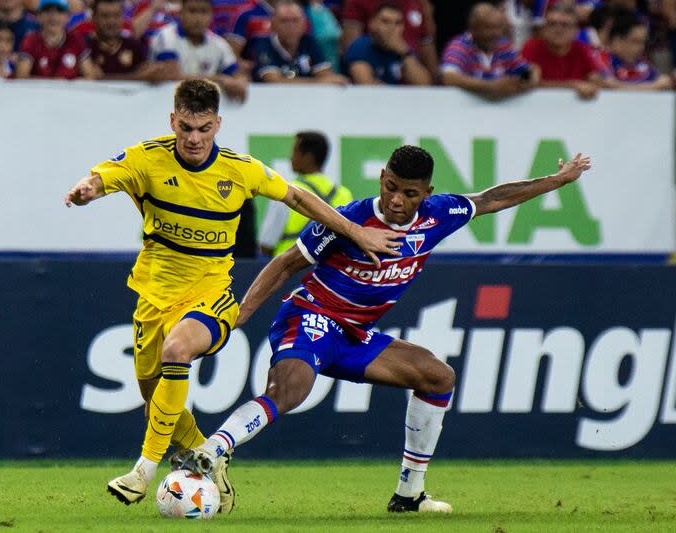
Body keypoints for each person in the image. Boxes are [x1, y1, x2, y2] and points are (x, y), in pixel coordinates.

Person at [174, 146, 592, 513]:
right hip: (311, 318)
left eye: (409, 193)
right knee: (291, 390)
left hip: (356, 335)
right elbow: (285, 263)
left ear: (426, 194)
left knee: (437, 376)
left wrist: (557, 180)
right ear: (382, 178)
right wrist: (242, 314)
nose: (396, 199)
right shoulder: (349, 220)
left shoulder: (439, 215)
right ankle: (211, 451)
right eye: (390, 186)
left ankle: (409, 495)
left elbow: (491, 198)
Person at [63, 79, 404, 511]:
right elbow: (101, 177)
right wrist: (87, 190)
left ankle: (143, 471)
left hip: (212, 296)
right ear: (172, 120)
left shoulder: (240, 169)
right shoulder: (145, 159)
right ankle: (210, 459)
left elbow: (298, 197)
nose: (193, 138)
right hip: (153, 296)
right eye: (185, 127)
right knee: (155, 398)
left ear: (218, 124)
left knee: (178, 348)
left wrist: (355, 231)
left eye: (203, 128)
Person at [259, 131, 353, 257]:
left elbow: (266, 244)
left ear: (308, 156)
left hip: (290, 269)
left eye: (295, 152)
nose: (290, 158)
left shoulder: (286, 191)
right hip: (328, 270)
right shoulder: (344, 194)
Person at [148, 0, 248, 101]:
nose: (198, 18)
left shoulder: (219, 44)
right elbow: (172, 77)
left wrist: (240, 81)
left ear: (211, 15)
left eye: (204, 12)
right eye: (192, 11)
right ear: (181, 12)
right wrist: (220, 79)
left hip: (204, 106)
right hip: (165, 102)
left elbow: (237, 74)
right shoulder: (166, 37)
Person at [441, 2, 539, 99]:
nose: (495, 33)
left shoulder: (503, 45)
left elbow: (530, 69)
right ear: (472, 28)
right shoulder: (460, 46)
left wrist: (528, 81)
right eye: (488, 28)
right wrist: (491, 87)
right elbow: (448, 77)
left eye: (498, 27)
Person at [248, 0, 348, 84]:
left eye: (295, 20)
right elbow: (273, 81)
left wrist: (323, 81)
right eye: (284, 21)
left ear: (304, 24)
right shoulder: (264, 45)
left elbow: (327, 75)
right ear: (273, 24)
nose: (290, 26)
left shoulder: (310, 42)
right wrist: (318, 82)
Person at [521, 4, 608, 99]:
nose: (558, 29)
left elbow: (597, 80)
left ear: (576, 31)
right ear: (543, 29)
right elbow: (527, 83)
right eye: (552, 24)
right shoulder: (531, 47)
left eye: (565, 25)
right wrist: (573, 85)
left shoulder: (582, 50)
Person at [343, 2, 432, 85]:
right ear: (372, 24)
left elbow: (423, 84)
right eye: (385, 21)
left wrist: (405, 53)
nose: (391, 27)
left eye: (397, 23)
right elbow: (366, 83)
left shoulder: (404, 50)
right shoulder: (360, 46)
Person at [16, 0, 94, 79]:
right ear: (38, 16)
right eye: (47, 11)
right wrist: (53, 84)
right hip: (39, 92)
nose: (53, 16)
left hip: (69, 92)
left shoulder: (76, 39)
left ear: (68, 17)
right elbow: (21, 77)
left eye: (59, 11)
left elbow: (90, 75)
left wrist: (68, 85)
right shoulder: (30, 40)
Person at [602, 9, 672, 90]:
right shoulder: (604, 61)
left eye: (643, 42)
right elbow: (611, 86)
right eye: (635, 41)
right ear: (617, 41)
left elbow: (663, 82)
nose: (641, 47)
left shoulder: (643, 63)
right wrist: (653, 87)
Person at [86, 0, 152, 80]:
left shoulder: (133, 45)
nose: (112, 21)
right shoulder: (85, 46)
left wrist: (104, 78)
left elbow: (146, 75)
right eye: (105, 16)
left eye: (117, 15)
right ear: (93, 18)